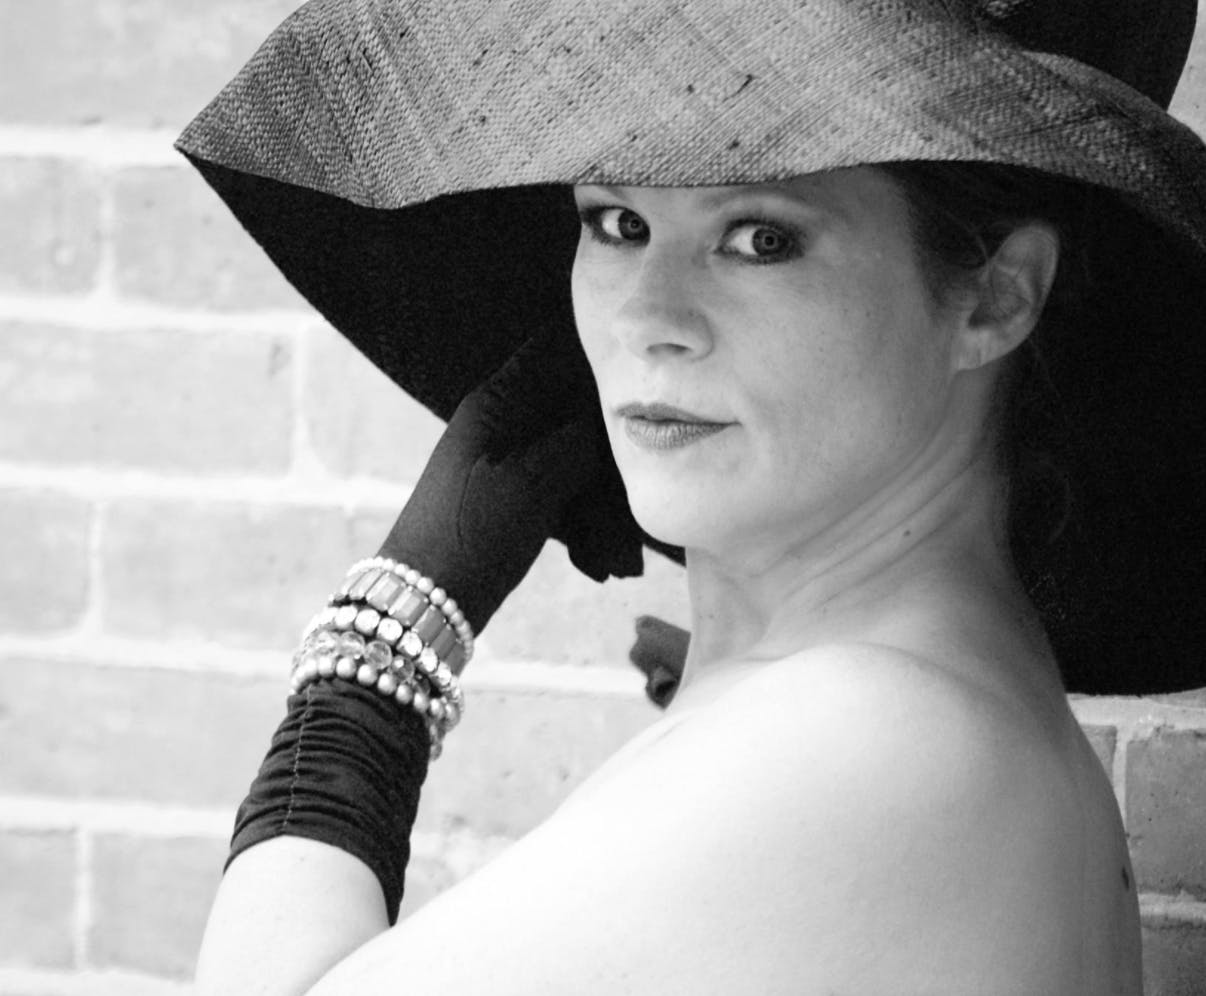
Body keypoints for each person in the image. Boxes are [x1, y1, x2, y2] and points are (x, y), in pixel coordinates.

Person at [175, 0, 1206, 992]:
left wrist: (385, 643)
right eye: (618, 221)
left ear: (997, 297)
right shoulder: (912, 715)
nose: (649, 319)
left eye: (761, 238)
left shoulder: (859, 740)